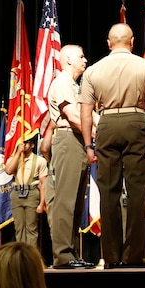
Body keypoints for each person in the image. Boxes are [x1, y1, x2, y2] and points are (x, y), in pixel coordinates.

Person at [79, 23, 145, 268]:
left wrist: (88, 145)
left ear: (108, 43)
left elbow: (86, 112)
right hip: (136, 122)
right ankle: (133, 256)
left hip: (105, 124)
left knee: (108, 193)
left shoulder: (93, 70)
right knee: (137, 194)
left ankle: (112, 258)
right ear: (132, 41)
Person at [46, 45, 96, 269]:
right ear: (67, 59)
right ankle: (63, 255)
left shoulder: (76, 85)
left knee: (76, 203)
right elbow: (74, 115)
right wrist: (96, 136)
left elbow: (89, 115)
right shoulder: (63, 82)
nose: (85, 60)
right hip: (68, 138)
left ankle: (72, 252)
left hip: (77, 140)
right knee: (65, 200)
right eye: (81, 56)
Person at [3, 135, 48, 248]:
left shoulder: (39, 161)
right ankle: (20, 256)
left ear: (32, 145)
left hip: (32, 193)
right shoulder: (14, 159)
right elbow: (8, 171)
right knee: (19, 227)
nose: (23, 145)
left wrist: (42, 203)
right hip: (17, 193)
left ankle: (31, 257)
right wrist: (18, 153)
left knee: (31, 228)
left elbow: (44, 184)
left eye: (26, 142)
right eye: (21, 142)